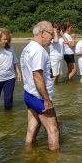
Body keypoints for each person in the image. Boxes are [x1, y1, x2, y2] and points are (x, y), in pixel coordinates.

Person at [20, 21, 60, 151]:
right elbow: (37, 76)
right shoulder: (39, 51)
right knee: (53, 131)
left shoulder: (27, 48)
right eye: (51, 33)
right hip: (39, 98)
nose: (53, 37)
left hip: (29, 95)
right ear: (42, 33)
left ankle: (29, 156)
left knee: (31, 130)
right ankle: (54, 161)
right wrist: (47, 100)